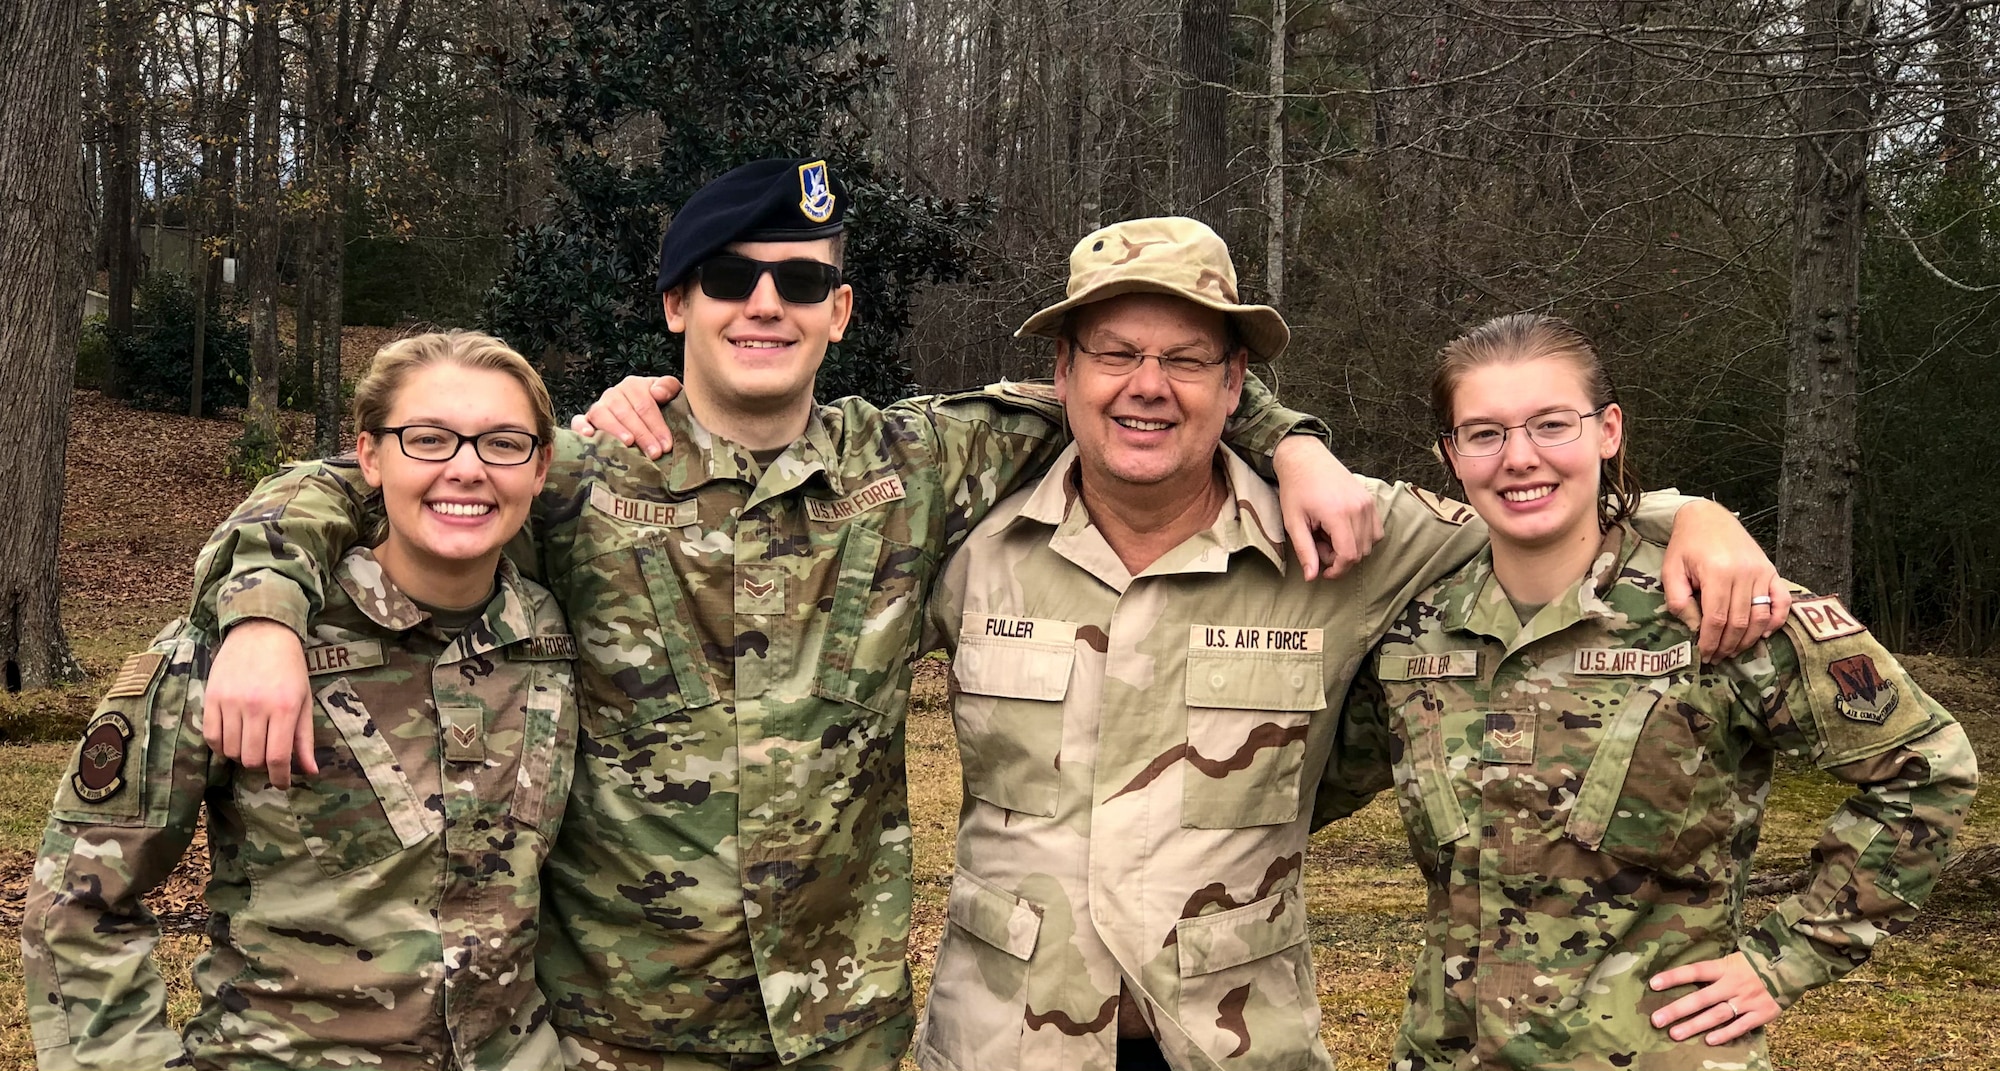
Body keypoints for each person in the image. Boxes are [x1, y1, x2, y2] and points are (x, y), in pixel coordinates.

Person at [185, 159, 1376, 1070]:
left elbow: (1140, 379)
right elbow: (364, 476)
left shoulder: (920, 463)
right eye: (730, 279)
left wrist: (1296, 442)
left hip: (836, 1026)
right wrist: (259, 618)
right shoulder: (577, 474)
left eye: (800, 281)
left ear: (841, 310)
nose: (766, 304)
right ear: (674, 306)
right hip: (619, 1021)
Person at [587, 219, 1791, 1071]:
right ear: (1058, 376)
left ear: (1237, 388)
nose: (1144, 388)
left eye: (1186, 361)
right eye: (1112, 354)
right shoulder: (958, 533)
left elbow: (1531, 497)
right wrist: (647, 416)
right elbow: (760, 538)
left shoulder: (1348, 539)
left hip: (1235, 1039)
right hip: (1005, 1041)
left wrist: (1692, 517)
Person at [1332, 313, 1977, 1070]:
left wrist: (1788, 957)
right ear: (1452, 453)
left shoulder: (1719, 608)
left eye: (1551, 424)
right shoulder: (1412, 635)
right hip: (1449, 1053)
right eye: (1484, 433)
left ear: (1609, 430)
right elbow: (1294, 789)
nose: (1520, 457)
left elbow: (1926, 768)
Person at [21, 330, 580, 1070]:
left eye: (503, 443)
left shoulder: (559, 636)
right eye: (429, 439)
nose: (467, 468)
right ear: (370, 457)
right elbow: (78, 903)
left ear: (541, 466)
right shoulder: (239, 647)